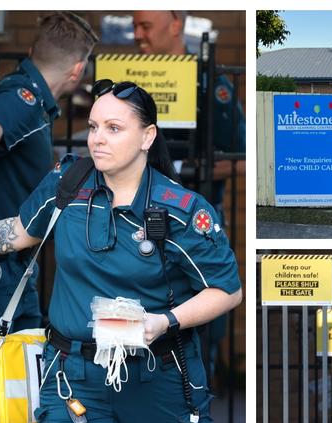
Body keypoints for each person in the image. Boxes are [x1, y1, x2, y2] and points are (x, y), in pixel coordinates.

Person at [0, 79, 243, 423]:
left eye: (114, 129)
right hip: (74, 376)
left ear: (147, 136)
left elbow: (227, 290)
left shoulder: (181, 209)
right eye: (94, 126)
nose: (98, 139)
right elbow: (20, 232)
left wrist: (164, 321)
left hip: (158, 375)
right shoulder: (68, 185)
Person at [0, 12, 98, 423]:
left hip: (11, 271)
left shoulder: (28, 97)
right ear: (77, 70)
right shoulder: (22, 100)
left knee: (15, 394)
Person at [133, 10, 245, 380]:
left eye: (145, 25)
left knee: (202, 320)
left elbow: (241, 159)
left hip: (195, 219)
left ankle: (198, 400)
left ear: (176, 25)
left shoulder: (209, 81)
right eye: (134, 24)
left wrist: (186, 174)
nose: (137, 34)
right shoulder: (131, 84)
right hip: (137, 221)